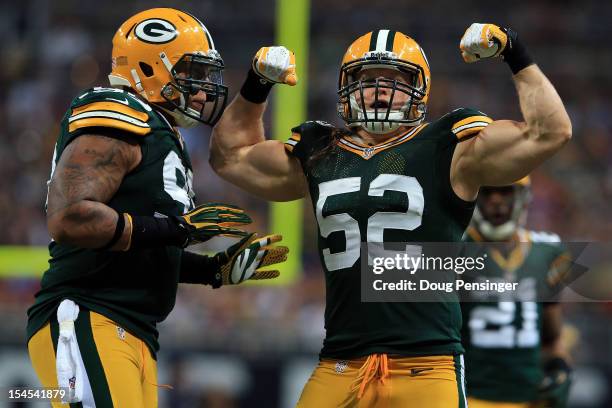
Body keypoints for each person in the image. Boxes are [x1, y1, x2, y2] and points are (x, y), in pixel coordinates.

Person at [210, 23, 571, 407]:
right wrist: (255, 86)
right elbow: (230, 157)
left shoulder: (448, 145)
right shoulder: (319, 151)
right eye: (367, 78)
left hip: (427, 363)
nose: (380, 87)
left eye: (394, 77)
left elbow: (550, 132)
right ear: (346, 85)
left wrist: (515, 53)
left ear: (420, 87)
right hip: (340, 362)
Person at [26, 8, 287, 408]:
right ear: (150, 67)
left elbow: (141, 244)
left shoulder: (161, 133)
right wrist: (178, 229)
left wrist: (214, 269)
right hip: (89, 314)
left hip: (130, 328)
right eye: (193, 74)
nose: (201, 90)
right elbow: (71, 217)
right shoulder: (118, 112)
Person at [462, 177, 572, 408]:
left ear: (523, 196)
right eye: (487, 192)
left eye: (505, 192)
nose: (496, 201)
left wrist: (560, 367)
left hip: (530, 397)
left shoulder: (548, 251)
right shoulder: (455, 249)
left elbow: (553, 338)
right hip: (469, 396)